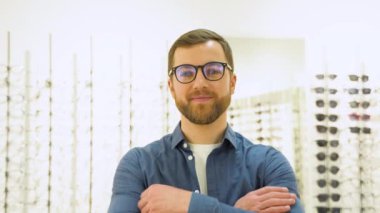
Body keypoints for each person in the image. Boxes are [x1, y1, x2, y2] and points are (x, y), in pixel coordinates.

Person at [108, 29, 304, 213]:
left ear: (232, 83)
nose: (200, 83)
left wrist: (191, 205)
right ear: (172, 86)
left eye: (213, 71)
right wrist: (234, 210)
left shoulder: (269, 164)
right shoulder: (139, 165)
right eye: (185, 73)